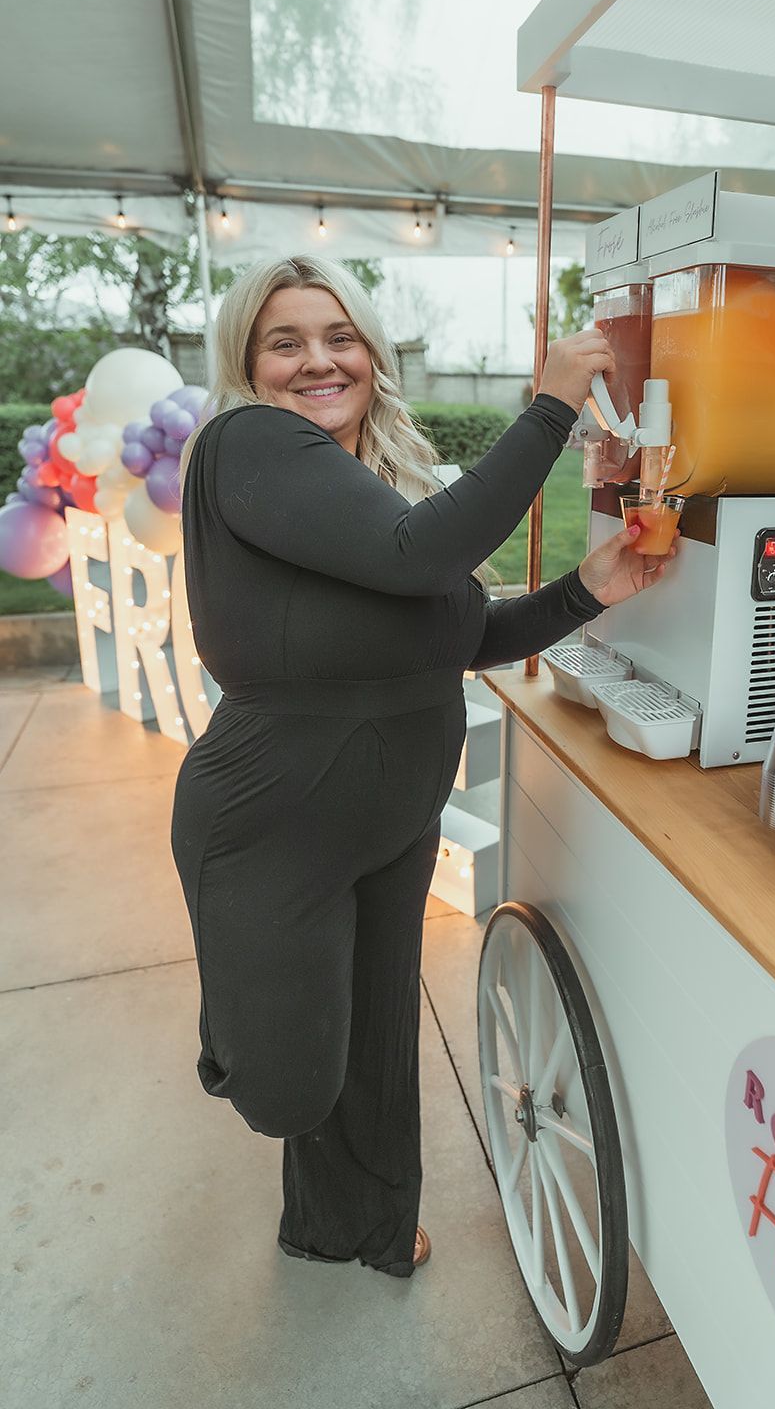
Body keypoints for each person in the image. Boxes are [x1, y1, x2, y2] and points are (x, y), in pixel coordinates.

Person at [169, 255, 676, 1278]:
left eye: (338, 335)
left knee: (378, 1034)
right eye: (286, 340)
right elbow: (419, 558)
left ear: (371, 350)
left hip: (393, 807)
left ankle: (355, 1224)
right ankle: (241, 1017)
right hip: (273, 819)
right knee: (288, 1086)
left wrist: (586, 586)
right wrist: (547, 407)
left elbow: (451, 631)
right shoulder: (245, 445)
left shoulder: (375, 480)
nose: (319, 359)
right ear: (247, 363)